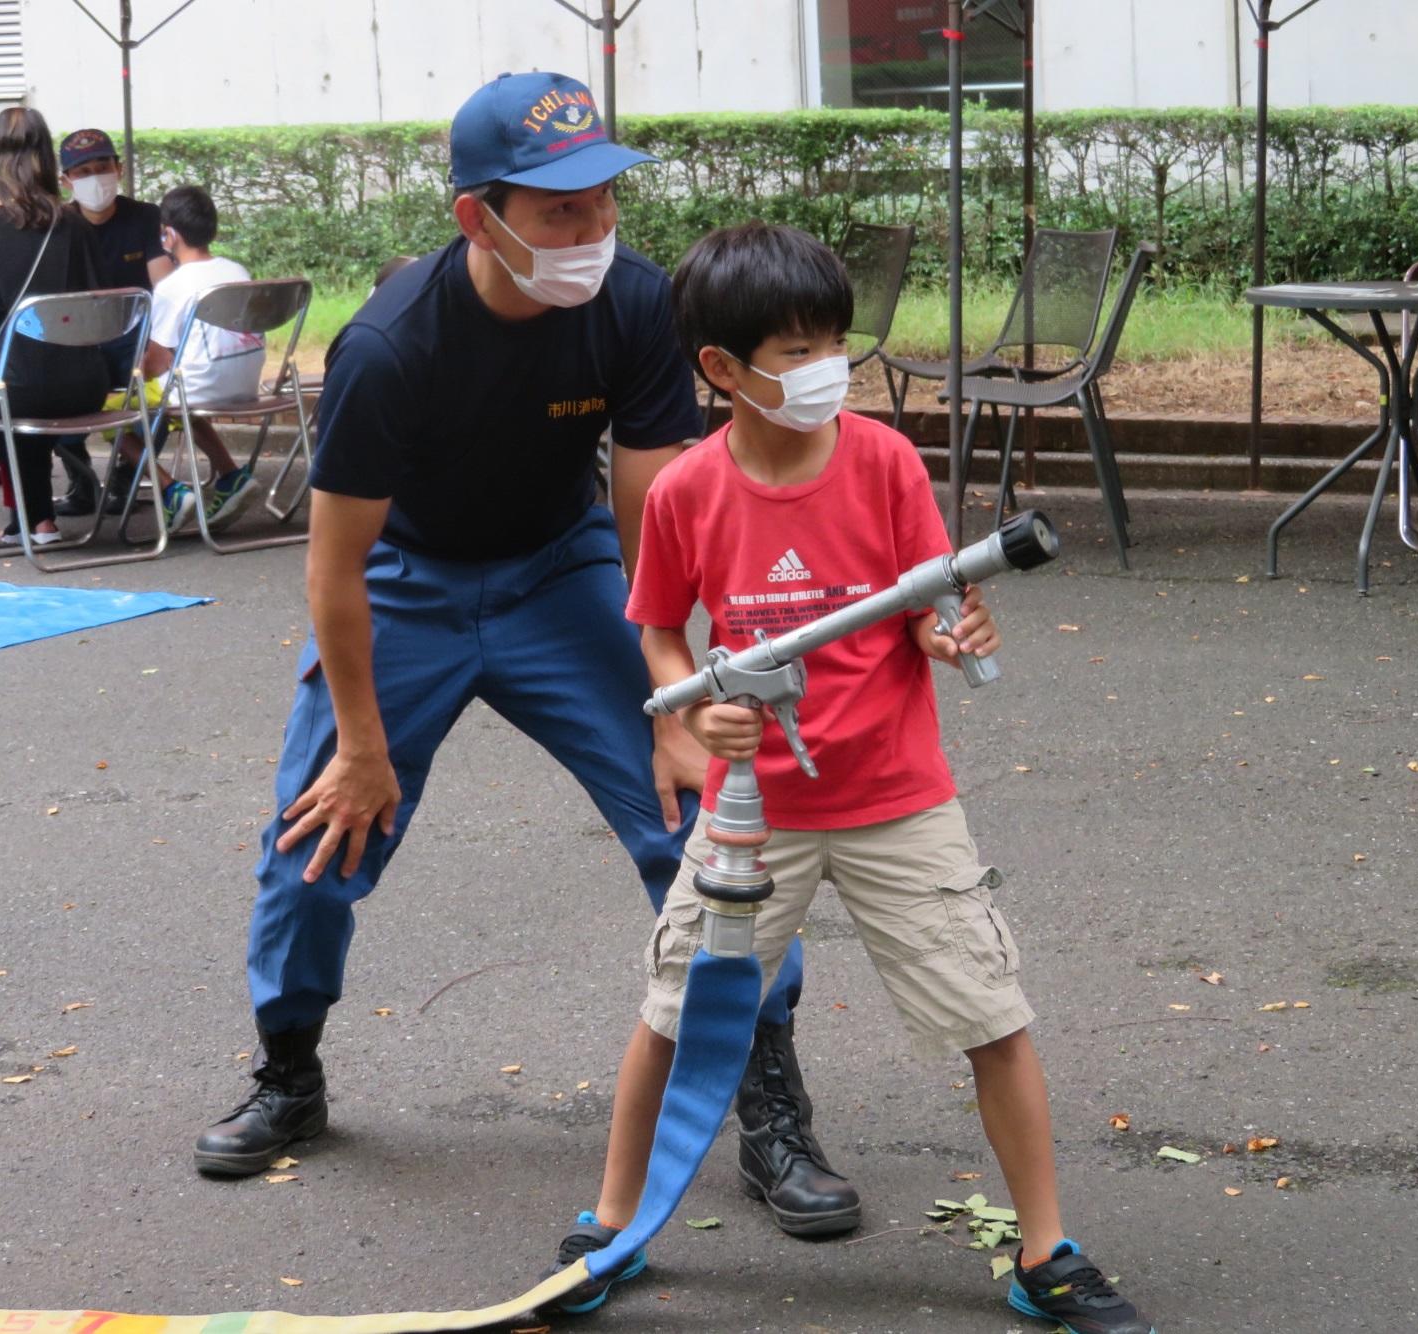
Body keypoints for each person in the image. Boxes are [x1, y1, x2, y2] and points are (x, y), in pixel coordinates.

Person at [192, 73, 859, 1240]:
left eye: (603, 200)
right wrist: (358, 745)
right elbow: (332, 569)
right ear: (477, 217)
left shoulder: (638, 305)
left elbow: (657, 508)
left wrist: (671, 691)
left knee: (701, 816)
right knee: (318, 830)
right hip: (406, 586)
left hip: (564, 572)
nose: (591, 231)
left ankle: (769, 1100)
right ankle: (287, 1068)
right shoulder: (390, 347)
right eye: (558, 211)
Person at [548, 223, 1153, 1334]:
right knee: (671, 1014)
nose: (824, 364)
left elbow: (928, 606)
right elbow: (659, 634)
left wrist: (953, 630)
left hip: (894, 797)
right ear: (721, 369)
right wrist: (692, 711)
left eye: (833, 339)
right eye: (795, 347)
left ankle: (1043, 1248)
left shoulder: (879, 460)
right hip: (751, 812)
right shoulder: (684, 489)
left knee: (991, 1013)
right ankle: (610, 1225)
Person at [0, 107, 108, 553]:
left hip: (10, 386)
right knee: (18, 391)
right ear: (46, 159)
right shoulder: (73, 224)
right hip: (84, 387)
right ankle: (39, 518)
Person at [103, 184, 265, 534]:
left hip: (197, 387)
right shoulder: (237, 271)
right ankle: (230, 475)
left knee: (110, 413)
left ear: (170, 235)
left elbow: (158, 360)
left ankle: (171, 490)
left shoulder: (173, 286)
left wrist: (130, 376)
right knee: (182, 390)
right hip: (246, 382)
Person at [53, 127, 173, 517]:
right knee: (43, 386)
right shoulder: (57, 226)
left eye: (102, 167)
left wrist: (158, 338)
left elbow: (165, 285)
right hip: (75, 345)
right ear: (65, 180)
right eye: (83, 171)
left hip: (132, 343)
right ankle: (80, 479)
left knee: (161, 392)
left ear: (119, 169)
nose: (94, 178)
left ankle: (127, 474)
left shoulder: (144, 218)